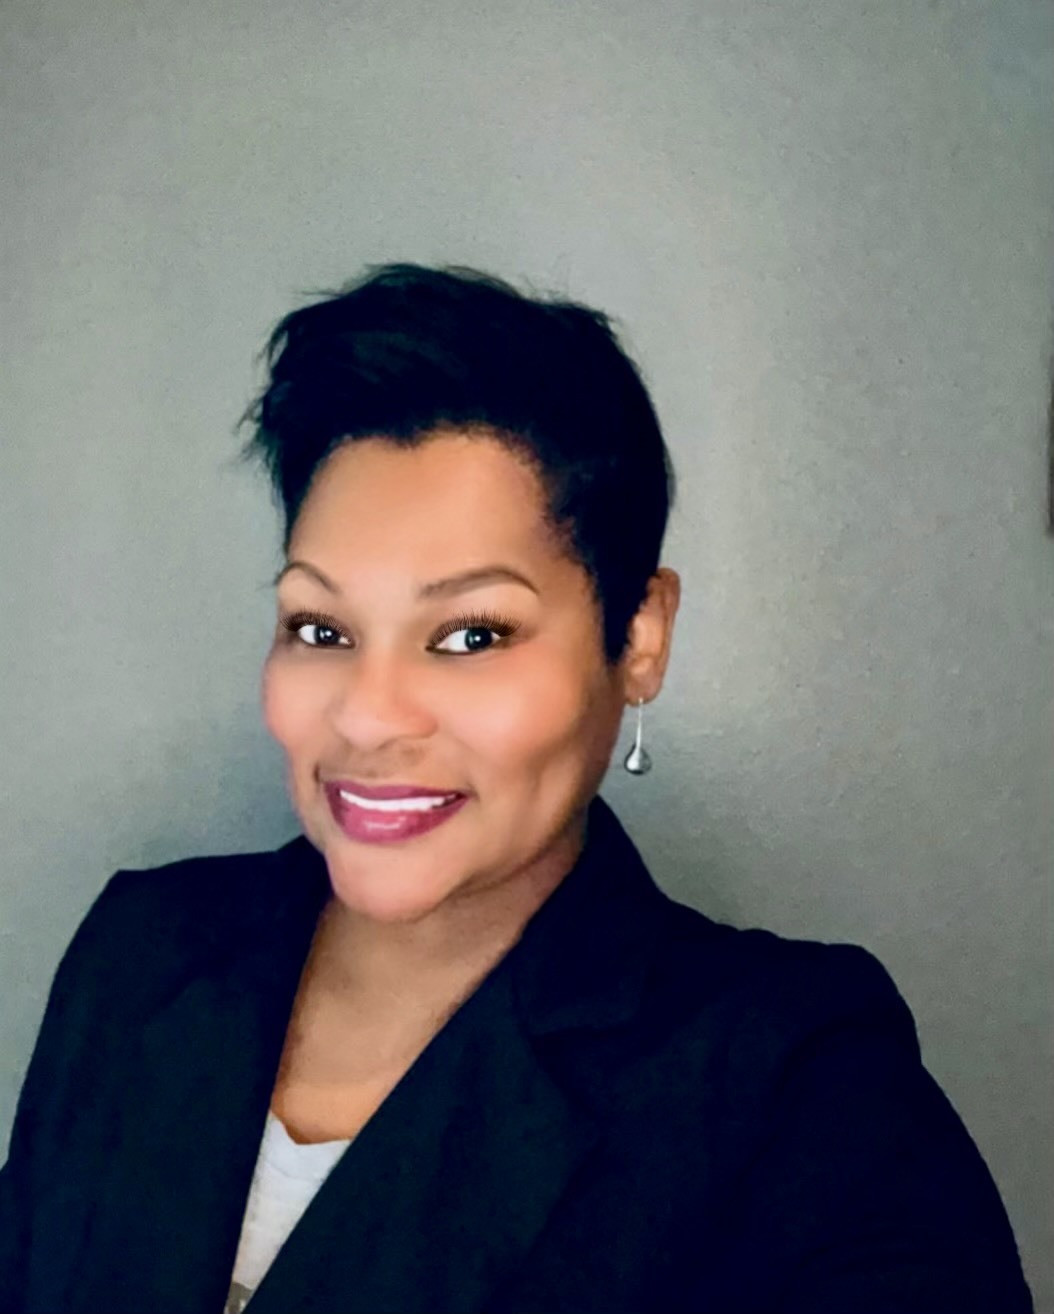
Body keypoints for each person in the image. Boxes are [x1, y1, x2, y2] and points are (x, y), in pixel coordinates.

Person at [0, 264, 1033, 1314]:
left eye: (471, 635)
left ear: (638, 637)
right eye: (321, 628)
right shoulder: (143, 954)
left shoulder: (794, 1085)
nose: (368, 715)